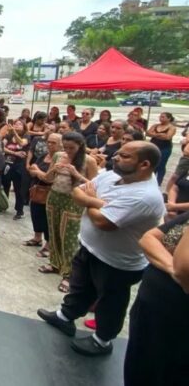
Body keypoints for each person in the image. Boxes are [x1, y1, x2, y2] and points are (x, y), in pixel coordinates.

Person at [37, 141, 165, 357]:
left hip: (117, 262)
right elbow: (78, 192)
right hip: (90, 248)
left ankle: (102, 340)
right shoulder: (113, 175)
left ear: (144, 164)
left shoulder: (145, 195)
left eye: (125, 156)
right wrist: (97, 202)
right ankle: (65, 317)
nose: (115, 157)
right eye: (118, 153)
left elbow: (103, 222)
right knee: (80, 286)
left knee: (110, 302)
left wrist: (91, 200)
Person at [123, 212, 189, 384]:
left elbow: (185, 269)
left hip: (178, 324)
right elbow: (148, 239)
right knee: (137, 371)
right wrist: (171, 267)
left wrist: (173, 265)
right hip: (148, 312)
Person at [39, 132, 98, 293]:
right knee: (53, 232)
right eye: (65, 147)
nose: (68, 151)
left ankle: (70, 273)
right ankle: (55, 263)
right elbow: (47, 178)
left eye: (72, 148)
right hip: (54, 196)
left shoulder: (89, 160)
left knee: (69, 237)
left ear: (80, 146)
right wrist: (53, 170)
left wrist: (76, 174)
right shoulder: (58, 156)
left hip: (73, 201)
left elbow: (95, 186)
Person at [25, 132, 62, 255]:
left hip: (49, 192)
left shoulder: (60, 159)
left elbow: (49, 179)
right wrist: (37, 172)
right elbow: (31, 171)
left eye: (53, 143)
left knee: (47, 219)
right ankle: (37, 238)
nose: (50, 144)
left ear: (60, 145)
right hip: (36, 189)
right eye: (48, 142)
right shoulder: (43, 156)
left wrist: (37, 171)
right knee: (35, 214)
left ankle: (49, 245)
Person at [2, 120, 29, 219]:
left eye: (19, 124)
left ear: (24, 127)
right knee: (5, 185)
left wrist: (14, 132)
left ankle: (19, 210)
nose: (17, 125)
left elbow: (22, 143)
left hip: (19, 165)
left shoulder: (26, 136)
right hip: (7, 164)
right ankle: (3, 205)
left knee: (19, 188)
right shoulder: (8, 136)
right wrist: (15, 153)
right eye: (15, 124)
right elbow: (2, 147)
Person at [147, 112, 176, 185]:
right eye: (160, 117)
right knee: (152, 164)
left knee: (161, 165)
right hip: (153, 147)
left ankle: (158, 182)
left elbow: (167, 137)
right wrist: (159, 134)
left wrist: (154, 134)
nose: (160, 118)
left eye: (163, 117)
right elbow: (148, 133)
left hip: (164, 148)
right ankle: (150, 180)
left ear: (169, 118)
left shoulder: (171, 127)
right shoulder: (155, 125)